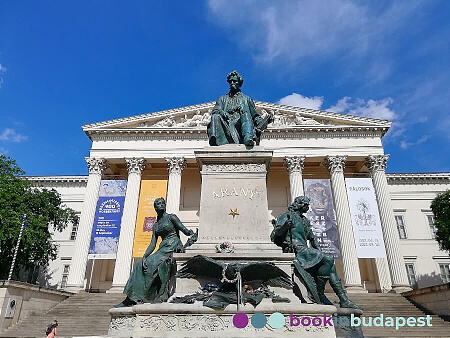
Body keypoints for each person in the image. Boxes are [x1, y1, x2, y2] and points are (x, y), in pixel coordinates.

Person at [272, 196, 361, 310]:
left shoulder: (304, 220)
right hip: (296, 251)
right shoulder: (287, 216)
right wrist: (285, 226)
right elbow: (276, 234)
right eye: (306, 206)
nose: (308, 208)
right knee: (328, 260)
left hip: (305, 251)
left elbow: (312, 238)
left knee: (329, 263)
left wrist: (320, 253)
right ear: (301, 205)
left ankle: (343, 299)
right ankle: (320, 293)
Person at [115, 198, 194, 307]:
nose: (161, 205)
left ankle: (145, 296)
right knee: (140, 265)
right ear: (155, 208)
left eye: (162, 203)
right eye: (158, 204)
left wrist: (190, 233)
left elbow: (183, 229)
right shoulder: (156, 225)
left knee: (152, 265)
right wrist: (144, 256)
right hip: (163, 248)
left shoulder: (171, 217)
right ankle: (132, 297)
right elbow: (153, 243)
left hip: (173, 245)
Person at [207, 70, 264, 146]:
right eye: (230, 82)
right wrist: (221, 112)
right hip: (226, 124)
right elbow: (215, 110)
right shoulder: (222, 99)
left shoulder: (247, 99)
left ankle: (247, 137)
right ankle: (214, 139)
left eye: (234, 81)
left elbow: (255, 116)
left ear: (239, 83)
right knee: (215, 116)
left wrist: (262, 122)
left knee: (245, 114)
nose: (232, 83)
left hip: (241, 126)